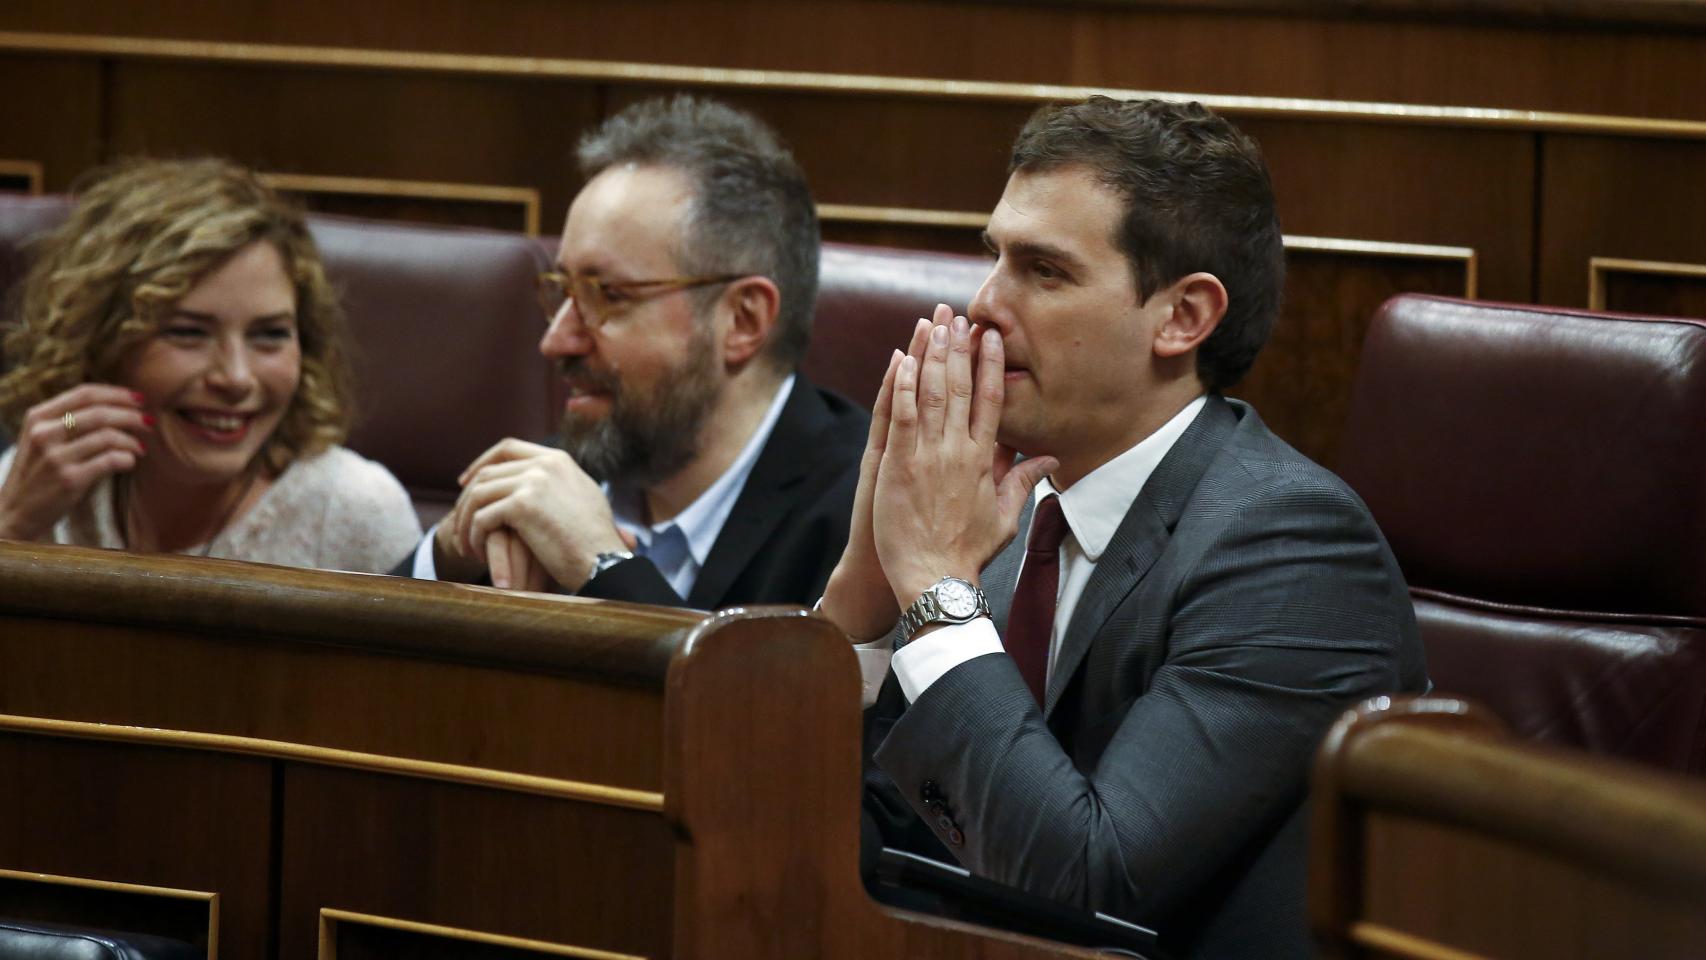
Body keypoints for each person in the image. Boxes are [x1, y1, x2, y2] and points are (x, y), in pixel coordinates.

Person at [819, 97, 1427, 959]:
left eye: (1045, 270)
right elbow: (873, 836)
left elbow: (1088, 891)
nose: (985, 303)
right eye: (993, 256)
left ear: (1182, 317)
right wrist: (866, 597)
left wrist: (931, 591)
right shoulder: (1006, 515)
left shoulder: (1292, 547)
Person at [406, 95, 867, 607]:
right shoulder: (561, 474)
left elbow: (760, 689)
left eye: (607, 295)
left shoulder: (863, 519)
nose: (555, 340)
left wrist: (604, 566)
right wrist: (448, 554)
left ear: (742, 320)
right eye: (563, 292)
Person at [0, 158, 421, 573]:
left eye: (270, 334)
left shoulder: (355, 509)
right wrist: (11, 526)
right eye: (188, 333)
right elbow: (63, 422)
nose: (236, 378)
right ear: (101, 342)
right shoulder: (40, 476)